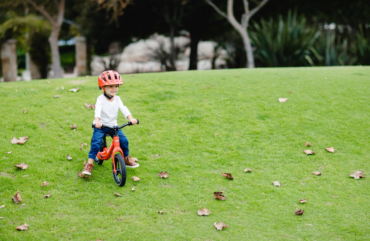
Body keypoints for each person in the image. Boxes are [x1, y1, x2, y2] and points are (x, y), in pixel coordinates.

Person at [81, 70, 139, 177]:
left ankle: (126, 159)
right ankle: (89, 165)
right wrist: (97, 121)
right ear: (103, 87)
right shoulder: (101, 99)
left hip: (113, 126)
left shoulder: (117, 99)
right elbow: (98, 110)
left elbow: (124, 108)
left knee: (124, 141)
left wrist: (131, 118)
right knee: (96, 144)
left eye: (116, 86)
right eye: (110, 86)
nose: (114, 88)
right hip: (101, 126)